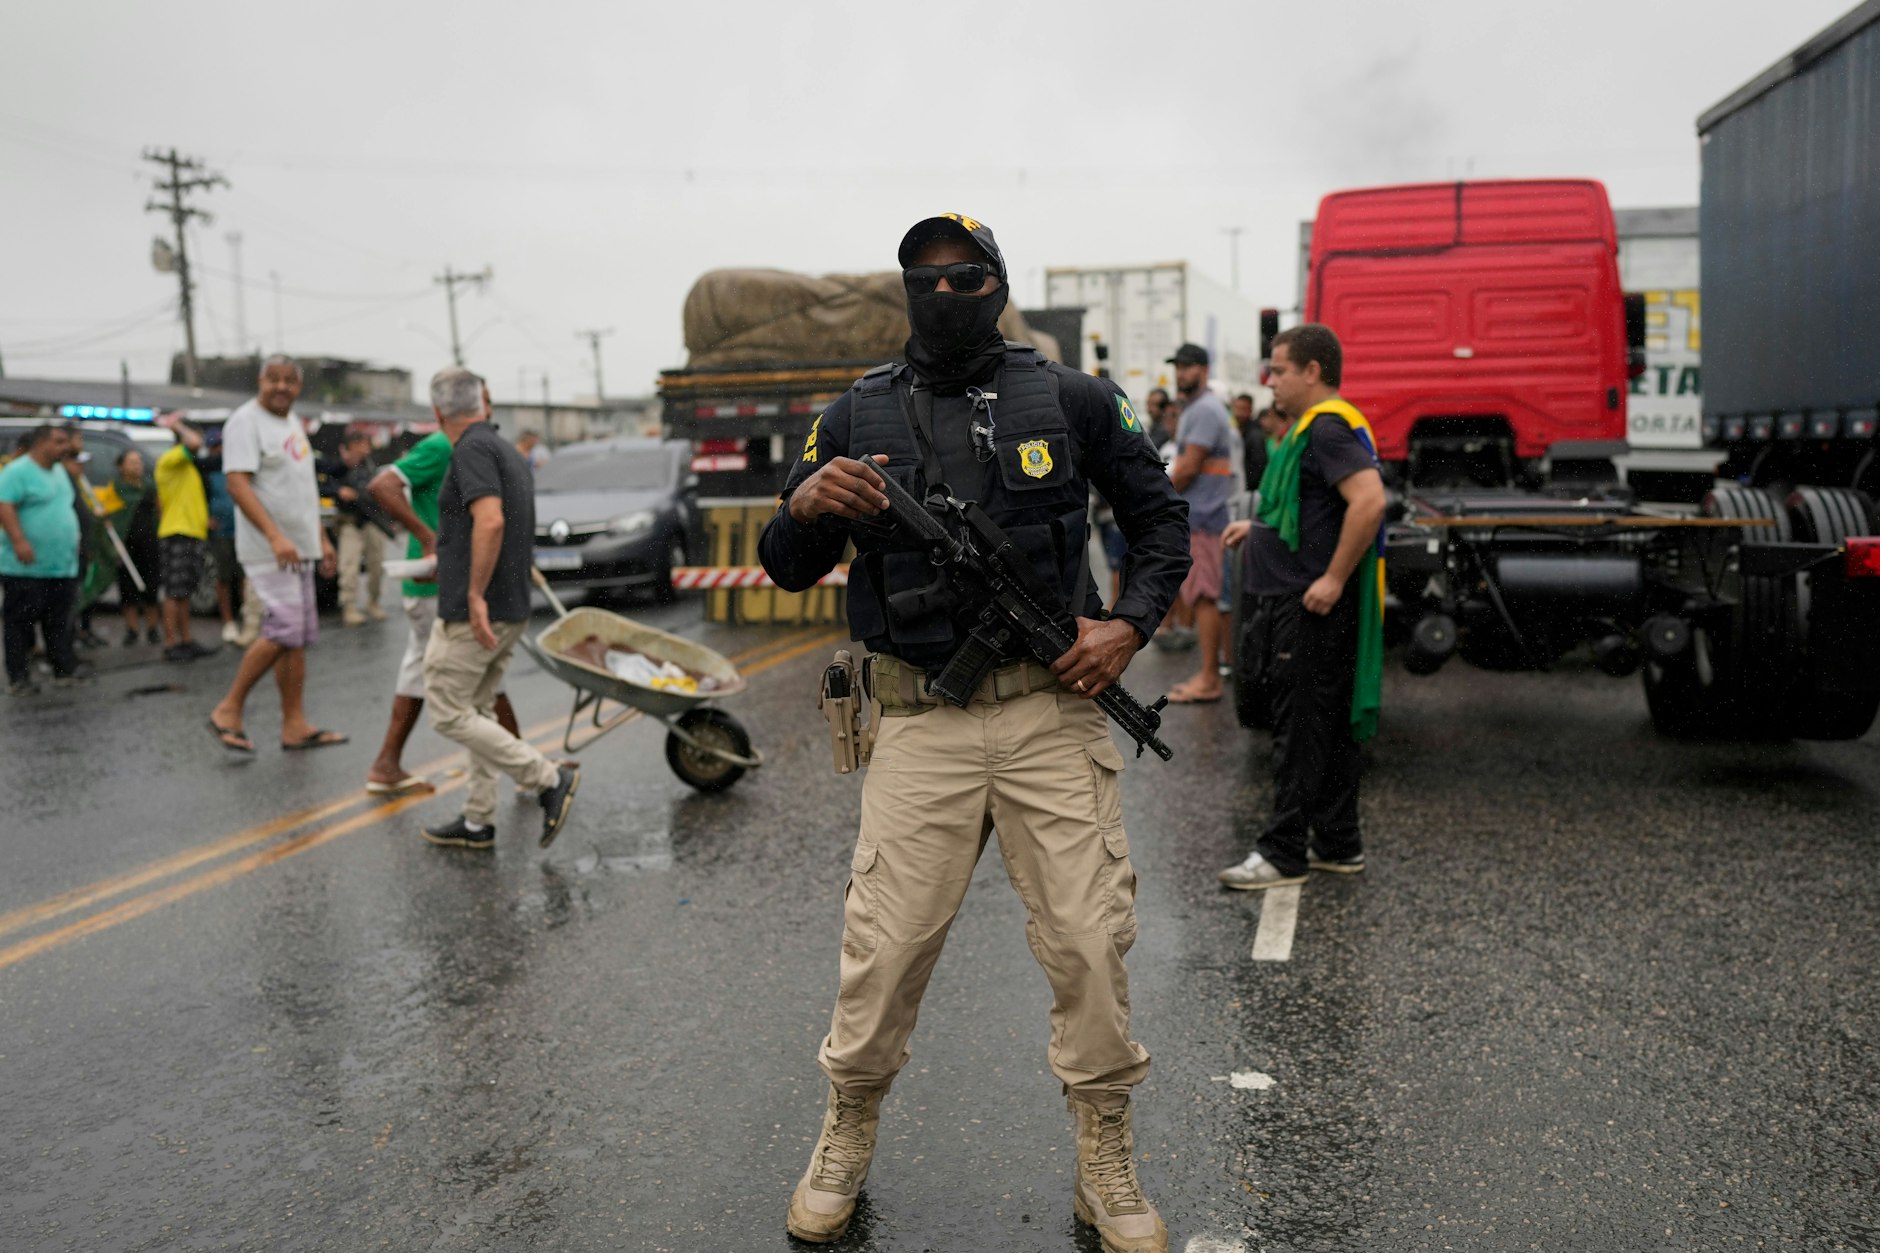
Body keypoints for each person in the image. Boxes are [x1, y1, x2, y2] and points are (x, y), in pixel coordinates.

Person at [758, 213, 1190, 1251]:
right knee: (883, 952)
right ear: (902, 288)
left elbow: (1159, 521)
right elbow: (783, 561)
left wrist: (1126, 624)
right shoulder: (850, 415)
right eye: (923, 277)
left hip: (1051, 709)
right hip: (918, 717)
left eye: (965, 275)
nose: (943, 292)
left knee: (1089, 942)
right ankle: (845, 1129)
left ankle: (1104, 1153)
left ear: (997, 284)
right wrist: (810, 499)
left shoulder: (1074, 397)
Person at [1217, 324, 1387, 891]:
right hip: (1304, 599)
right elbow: (1310, 512)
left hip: (1309, 604)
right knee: (1328, 727)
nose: (1270, 381)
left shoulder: (1326, 429)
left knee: (1296, 731)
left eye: (1280, 370)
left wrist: (1334, 578)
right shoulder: (1315, 430)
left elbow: (1368, 502)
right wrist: (1259, 528)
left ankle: (1283, 853)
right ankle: (1338, 844)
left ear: (1312, 372)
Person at [417, 367, 579, 849]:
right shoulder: (505, 449)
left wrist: (471, 595)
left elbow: (489, 522)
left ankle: (548, 779)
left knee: (448, 712)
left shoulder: (470, 449)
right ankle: (477, 819)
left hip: (480, 610)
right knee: (479, 709)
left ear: (437, 411)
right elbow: (490, 527)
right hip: (510, 603)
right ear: (484, 402)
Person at [364, 426, 525, 796]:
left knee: (426, 669)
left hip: (448, 581)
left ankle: (387, 764)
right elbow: (382, 485)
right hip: (436, 583)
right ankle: (523, 768)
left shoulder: (470, 447)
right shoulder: (441, 446)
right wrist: (426, 537)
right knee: (480, 669)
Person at [206, 356, 346, 756]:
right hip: (271, 549)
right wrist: (274, 536)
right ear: (260, 381)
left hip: (299, 548)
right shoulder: (245, 422)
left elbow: (301, 490)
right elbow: (237, 484)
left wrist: (320, 539)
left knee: (296, 637)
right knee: (284, 628)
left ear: (299, 387)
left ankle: (295, 725)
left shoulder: (292, 423)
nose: (282, 387)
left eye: (290, 381)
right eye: (274, 380)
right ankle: (228, 709)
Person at [1164, 344, 1240, 704]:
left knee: (1206, 598)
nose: (1181, 373)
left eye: (1188, 366)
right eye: (1178, 366)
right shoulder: (1198, 409)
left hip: (1205, 519)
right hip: (1200, 518)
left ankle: (1210, 678)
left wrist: (1157, 501)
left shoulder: (1206, 410)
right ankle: (1208, 673)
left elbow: (1190, 466)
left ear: (1204, 370)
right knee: (1201, 597)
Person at [0, 424, 84, 693]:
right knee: (20, 624)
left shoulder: (60, 471)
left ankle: (62, 671)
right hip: (25, 567)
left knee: (59, 622)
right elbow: (5, 505)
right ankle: (19, 678)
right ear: (41, 444)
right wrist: (19, 541)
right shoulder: (17, 471)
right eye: (59, 442)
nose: (66, 447)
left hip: (60, 565)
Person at [154, 418, 215, 662]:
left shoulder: (187, 466)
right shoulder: (169, 461)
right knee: (174, 591)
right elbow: (192, 441)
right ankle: (170, 644)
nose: (199, 443)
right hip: (177, 532)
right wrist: (176, 424)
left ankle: (186, 640)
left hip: (191, 533)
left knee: (185, 591)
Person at [320, 430, 389, 626]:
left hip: (372, 520)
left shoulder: (370, 466)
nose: (364, 449)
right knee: (348, 565)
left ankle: (373, 601)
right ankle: (349, 605)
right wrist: (338, 491)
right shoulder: (338, 466)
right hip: (349, 520)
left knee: (377, 564)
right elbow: (320, 485)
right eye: (360, 445)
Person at [106, 449, 161, 645]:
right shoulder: (116, 488)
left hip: (149, 544)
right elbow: (110, 514)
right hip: (126, 546)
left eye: (139, 462)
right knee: (127, 589)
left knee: (151, 587)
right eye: (132, 462)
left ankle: (153, 628)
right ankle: (132, 629)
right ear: (121, 466)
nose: (137, 465)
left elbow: (159, 511)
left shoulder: (149, 487)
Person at [203, 430, 246, 645]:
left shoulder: (236, 468)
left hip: (242, 529)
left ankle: (248, 618)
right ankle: (228, 621)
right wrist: (206, 518)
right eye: (215, 447)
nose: (219, 451)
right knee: (224, 577)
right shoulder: (206, 470)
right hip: (220, 532)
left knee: (244, 575)